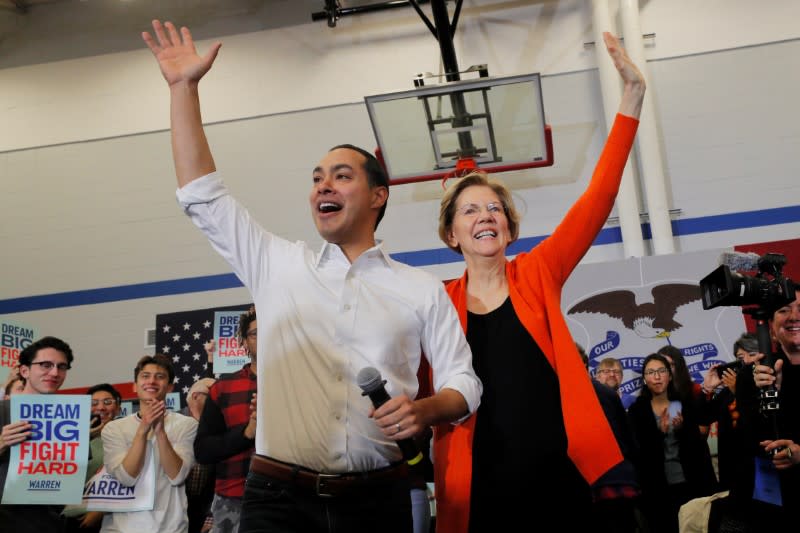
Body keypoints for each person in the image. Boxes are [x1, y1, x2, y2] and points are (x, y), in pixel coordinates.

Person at [141, 19, 481, 533]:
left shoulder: (420, 289)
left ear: (377, 195)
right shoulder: (276, 264)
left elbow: (464, 381)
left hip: (379, 498)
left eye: (342, 176)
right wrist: (183, 90)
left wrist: (428, 409)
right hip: (277, 501)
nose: (324, 184)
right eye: (317, 177)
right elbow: (202, 196)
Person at [431, 32, 644, 532]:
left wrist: (631, 97)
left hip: (558, 477)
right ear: (451, 232)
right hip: (479, 486)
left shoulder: (537, 270)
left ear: (507, 224)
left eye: (494, 208)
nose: (486, 215)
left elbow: (598, 196)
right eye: (470, 209)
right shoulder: (436, 302)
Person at [100, 354, 198, 533]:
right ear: (135, 385)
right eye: (145, 376)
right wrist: (143, 429)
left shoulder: (187, 424)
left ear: (169, 387)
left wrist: (160, 431)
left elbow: (177, 476)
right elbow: (126, 478)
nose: (152, 381)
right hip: (120, 528)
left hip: (170, 527)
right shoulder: (114, 429)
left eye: (160, 377)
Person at [730, 296, 800, 529]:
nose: (794, 316)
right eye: (783, 310)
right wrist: (769, 394)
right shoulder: (752, 375)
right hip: (770, 504)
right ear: (771, 327)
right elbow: (749, 442)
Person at [628, 353, 717, 533]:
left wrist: (682, 429)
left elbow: (698, 443)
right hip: (656, 489)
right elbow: (636, 452)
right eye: (651, 372)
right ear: (644, 379)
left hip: (689, 483)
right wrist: (659, 433)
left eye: (662, 371)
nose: (657, 376)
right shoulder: (638, 410)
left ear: (669, 375)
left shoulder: (683, 403)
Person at [0, 336, 75, 532]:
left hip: (49, 522)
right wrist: (1, 442)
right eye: (45, 365)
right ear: (24, 371)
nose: (54, 372)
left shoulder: (72, 417)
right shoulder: (1, 411)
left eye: (61, 367)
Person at [195, 307, 257, 533]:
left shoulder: (296, 383)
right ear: (244, 341)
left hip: (290, 496)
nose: (263, 338)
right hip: (233, 499)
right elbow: (203, 450)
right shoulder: (222, 388)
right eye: (255, 333)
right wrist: (247, 432)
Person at [64, 383, 124, 533]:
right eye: (93, 403)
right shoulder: (70, 438)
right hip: (66, 517)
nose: (101, 408)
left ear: (118, 408)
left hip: (109, 520)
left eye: (107, 402)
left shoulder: (127, 440)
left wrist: (100, 511)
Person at [183, 378, 217, 533]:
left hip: (204, 513)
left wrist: (211, 515)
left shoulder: (218, 427)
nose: (218, 399)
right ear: (196, 396)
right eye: (214, 395)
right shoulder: (171, 423)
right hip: (173, 509)